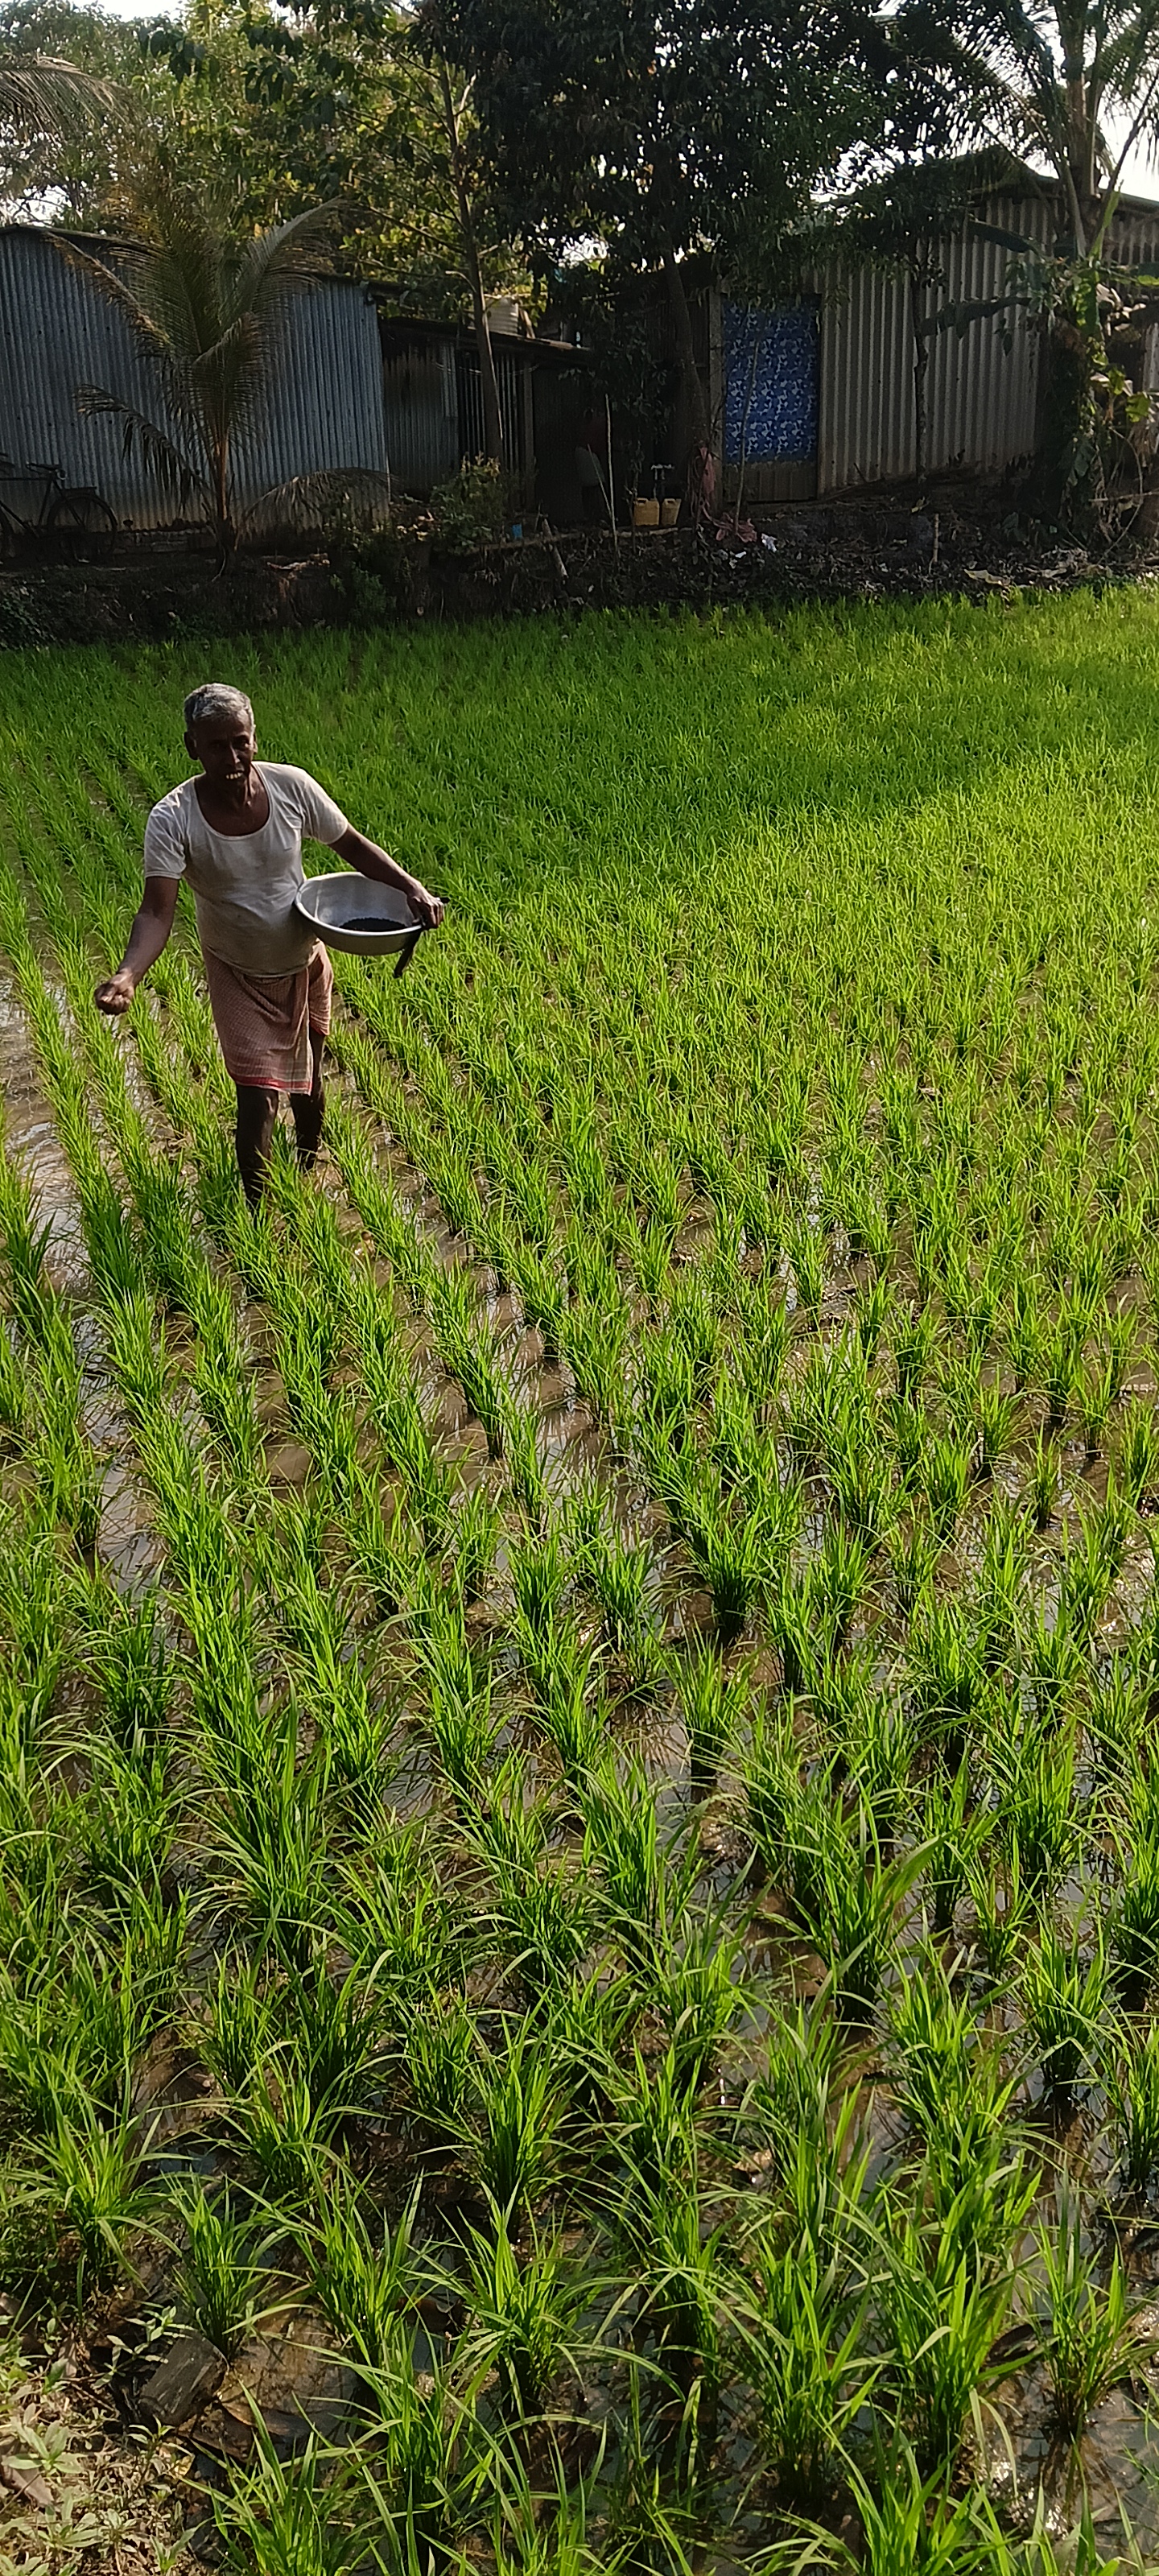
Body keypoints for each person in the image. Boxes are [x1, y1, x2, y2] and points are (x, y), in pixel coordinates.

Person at [94, 683, 443, 1204]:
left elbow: (352, 845)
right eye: (217, 746)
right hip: (238, 971)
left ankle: (307, 1170)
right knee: (257, 1098)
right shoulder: (173, 819)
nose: (233, 758)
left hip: (303, 960)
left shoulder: (291, 788)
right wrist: (128, 974)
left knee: (310, 1084)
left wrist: (411, 887)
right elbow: (155, 911)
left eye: (241, 742)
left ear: (254, 738)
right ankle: (258, 1215)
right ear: (192, 747)